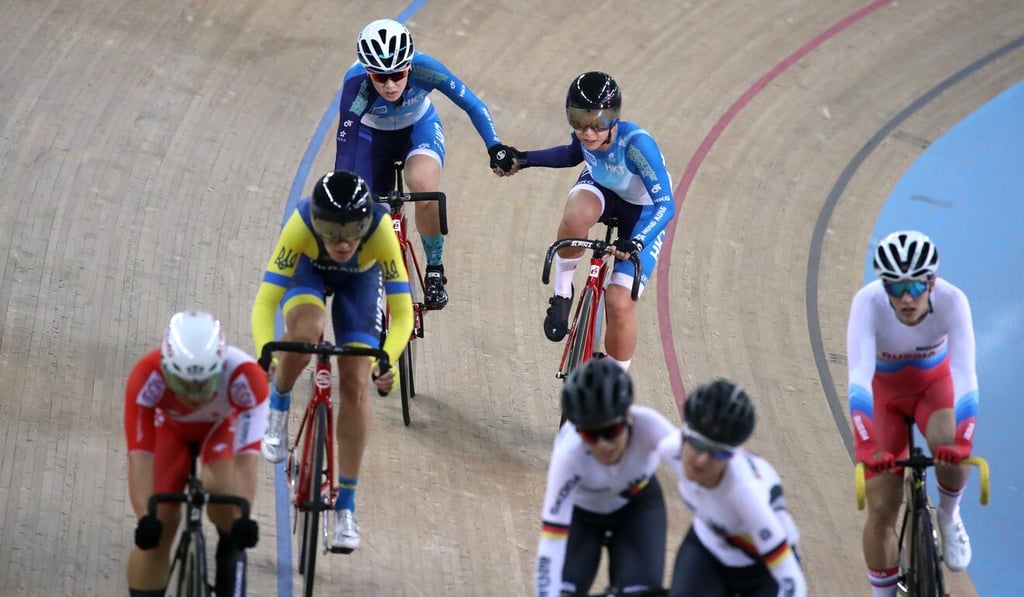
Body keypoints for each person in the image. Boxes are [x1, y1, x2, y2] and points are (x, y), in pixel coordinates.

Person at [251, 169, 413, 552]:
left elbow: (403, 312)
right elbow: (266, 302)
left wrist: (383, 362)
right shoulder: (301, 224)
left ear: (366, 221)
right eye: (331, 230)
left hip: (360, 281)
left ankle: (346, 507)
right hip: (308, 272)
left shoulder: (381, 232)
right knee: (308, 328)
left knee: (356, 382)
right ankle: (278, 407)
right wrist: (265, 352)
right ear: (316, 221)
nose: (341, 242)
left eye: (352, 230)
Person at [491, 71, 675, 371]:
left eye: (598, 123)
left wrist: (637, 242)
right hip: (603, 188)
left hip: (643, 211)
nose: (588, 132)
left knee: (619, 303)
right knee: (576, 215)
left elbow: (666, 205)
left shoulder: (636, 145)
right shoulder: (586, 137)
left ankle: (614, 381)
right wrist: (521, 159)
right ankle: (563, 293)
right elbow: (569, 154)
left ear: (614, 118)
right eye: (578, 120)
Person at [334, 18, 518, 310]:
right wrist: (342, 187)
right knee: (362, 205)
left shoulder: (425, 68)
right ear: (368, 73)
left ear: (409, 65)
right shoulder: (356, 85)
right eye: (381, 78)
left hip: (417, 130)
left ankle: (434, 268)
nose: (391, 84)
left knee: (423, 186)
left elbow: (472, 103)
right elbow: (346, 140)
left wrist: (494, 146)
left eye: (397, 74)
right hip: (372, 139)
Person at [847, 230, 978, 594]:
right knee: (882, 508)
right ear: (883, 286)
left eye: (916, 288)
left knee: (949, 447)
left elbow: (966, 378)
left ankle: (949, 517)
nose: (906, 298)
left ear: (931, 283)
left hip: (932, 389)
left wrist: (964, 442)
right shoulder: (867, 303)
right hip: (883, 399)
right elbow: (859, 378)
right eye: (896, 288)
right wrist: (867, 445)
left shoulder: (953, 301)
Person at [124, 311, 268, 597]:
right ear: (166, 370)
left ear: (220, 368)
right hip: (170, 432)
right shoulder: (146, 376)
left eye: (204, 385)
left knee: (224, 496)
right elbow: (140, 458)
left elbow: (245, 462)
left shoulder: (247, 377)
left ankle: (230, 552)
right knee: (158, 528)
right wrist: (145, 518)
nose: (194, 396)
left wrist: (241, 518)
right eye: (182, 385)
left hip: (221, 429)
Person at [535, 358, 677, 596]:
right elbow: (551, 541)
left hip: (637, 510)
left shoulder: (651, 427)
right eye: (590, 435)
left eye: (611, 431)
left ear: (629, 416)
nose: (603, 445)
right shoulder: (568, 454)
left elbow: (701, 478)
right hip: (581, 518)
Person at [659, 379, 807, 597]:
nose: (701, 461)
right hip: (710, 546)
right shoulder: (669, 449)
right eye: (698, 444)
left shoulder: (745, 495)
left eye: (718, 453)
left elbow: (791, 578)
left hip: (762, 570)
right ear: (683, 434)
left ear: (733, 454)